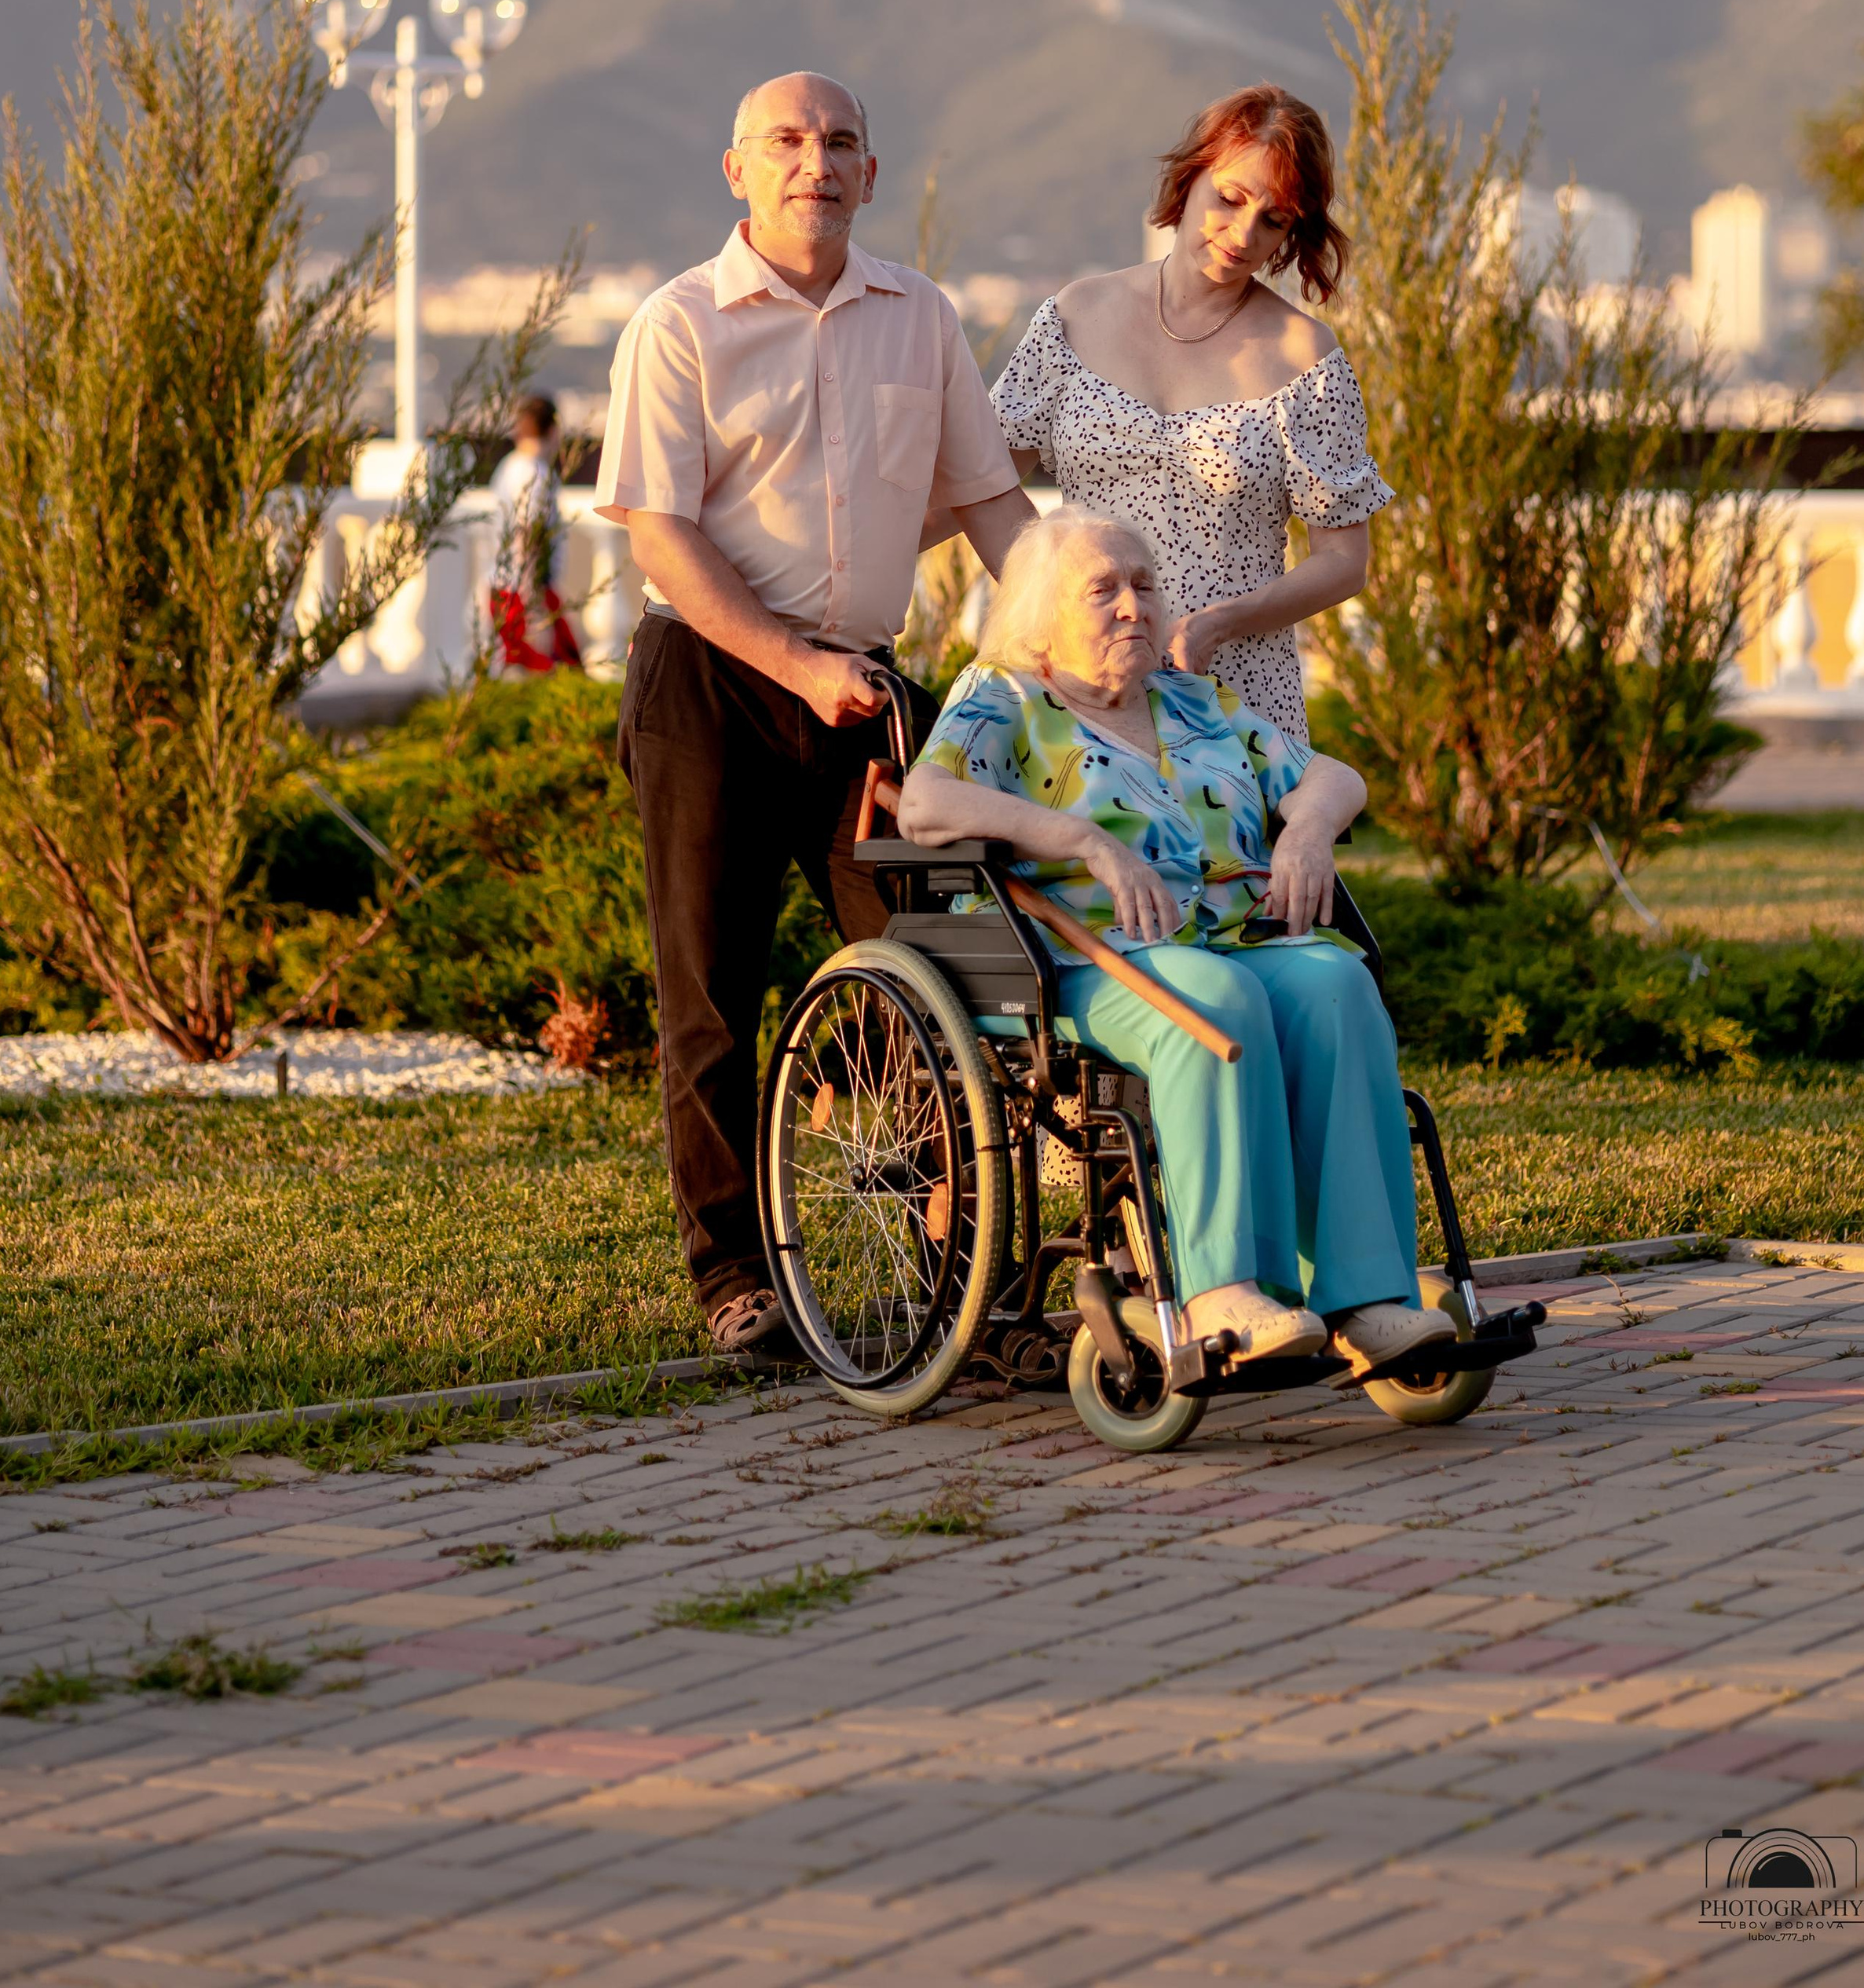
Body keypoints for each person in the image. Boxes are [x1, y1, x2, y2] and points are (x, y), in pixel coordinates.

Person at [596, 70, 1035, 1353]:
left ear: (871, 175)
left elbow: (994, 507)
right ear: (737, 171)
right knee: (713, 997)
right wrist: (790, 663)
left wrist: (1086, 629)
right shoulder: (677, 326)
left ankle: (960, 1276)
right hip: (714, 683)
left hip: (869, 689)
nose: (815, 163)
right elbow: (661, 542)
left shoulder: (921, 317)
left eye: (840, 142)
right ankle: (736, 1282)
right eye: (786, 142)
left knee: (942, 974)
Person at [899, 506, 1452, 1373]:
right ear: (1043, 611)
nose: (1133, 606)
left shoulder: (1193, 699)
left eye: (1145, 586)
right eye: (1104, 590)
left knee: (1335, 986)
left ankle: (1368, 1297)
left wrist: (1303, 833)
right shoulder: (1002, 697)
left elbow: (1331, 778)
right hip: (1085, 959)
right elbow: (925, 804)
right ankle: (1224, 1291)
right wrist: (1085, 841)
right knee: (1213, 1000)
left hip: (1239, 939)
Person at [991, 83, 1390, 748]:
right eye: (1230, 198)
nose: (1242, 234)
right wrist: (1052, 606)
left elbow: (1345, 560)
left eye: (1275, 220)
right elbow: (983, 485)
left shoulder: (1306, 358)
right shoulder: (1073, 315)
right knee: (1082, 852)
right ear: (1190, 175)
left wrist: (1218, 623)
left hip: (1240, 699)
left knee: (1244, 858)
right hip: (1084, 686)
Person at [489, 393, 584, 674]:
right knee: (562, 669)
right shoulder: (536, 474)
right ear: (553, 431)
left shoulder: (510, 466)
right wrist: (532, 594)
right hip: (527, 588)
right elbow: (530, 533)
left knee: (517, 668)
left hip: (503, 584)